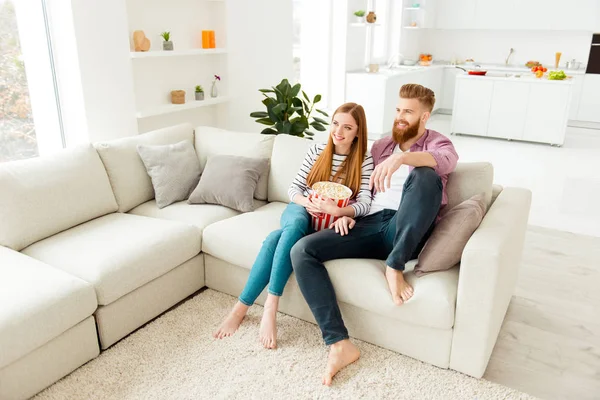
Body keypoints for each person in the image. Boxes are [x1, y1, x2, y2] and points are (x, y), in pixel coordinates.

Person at [291, 84, 459, 385]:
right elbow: (360, 190)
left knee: (425, 176)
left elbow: (446, 163)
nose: (400, 117)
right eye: (398, 110)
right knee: (302, 251)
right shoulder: (381, 146)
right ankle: (339, 343)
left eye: (408, 111)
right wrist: (347, 215)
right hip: (369, 224)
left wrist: (402, 159)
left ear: (425, 116)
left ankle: (394, 266)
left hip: (406, 227)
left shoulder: (439, 143)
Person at [213, 102, 374, 349]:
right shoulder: (318, 149)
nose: (338, 131)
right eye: (335, 123)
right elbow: (293, 189)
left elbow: (365, 202)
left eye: (347, 127)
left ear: (358, 132)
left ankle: (240, 309)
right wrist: (307, 202)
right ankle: (271, 306)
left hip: (329, 220)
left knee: (274, 240)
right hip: (301, 208)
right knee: (296, 223)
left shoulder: (364, 160)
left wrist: (339, 211)